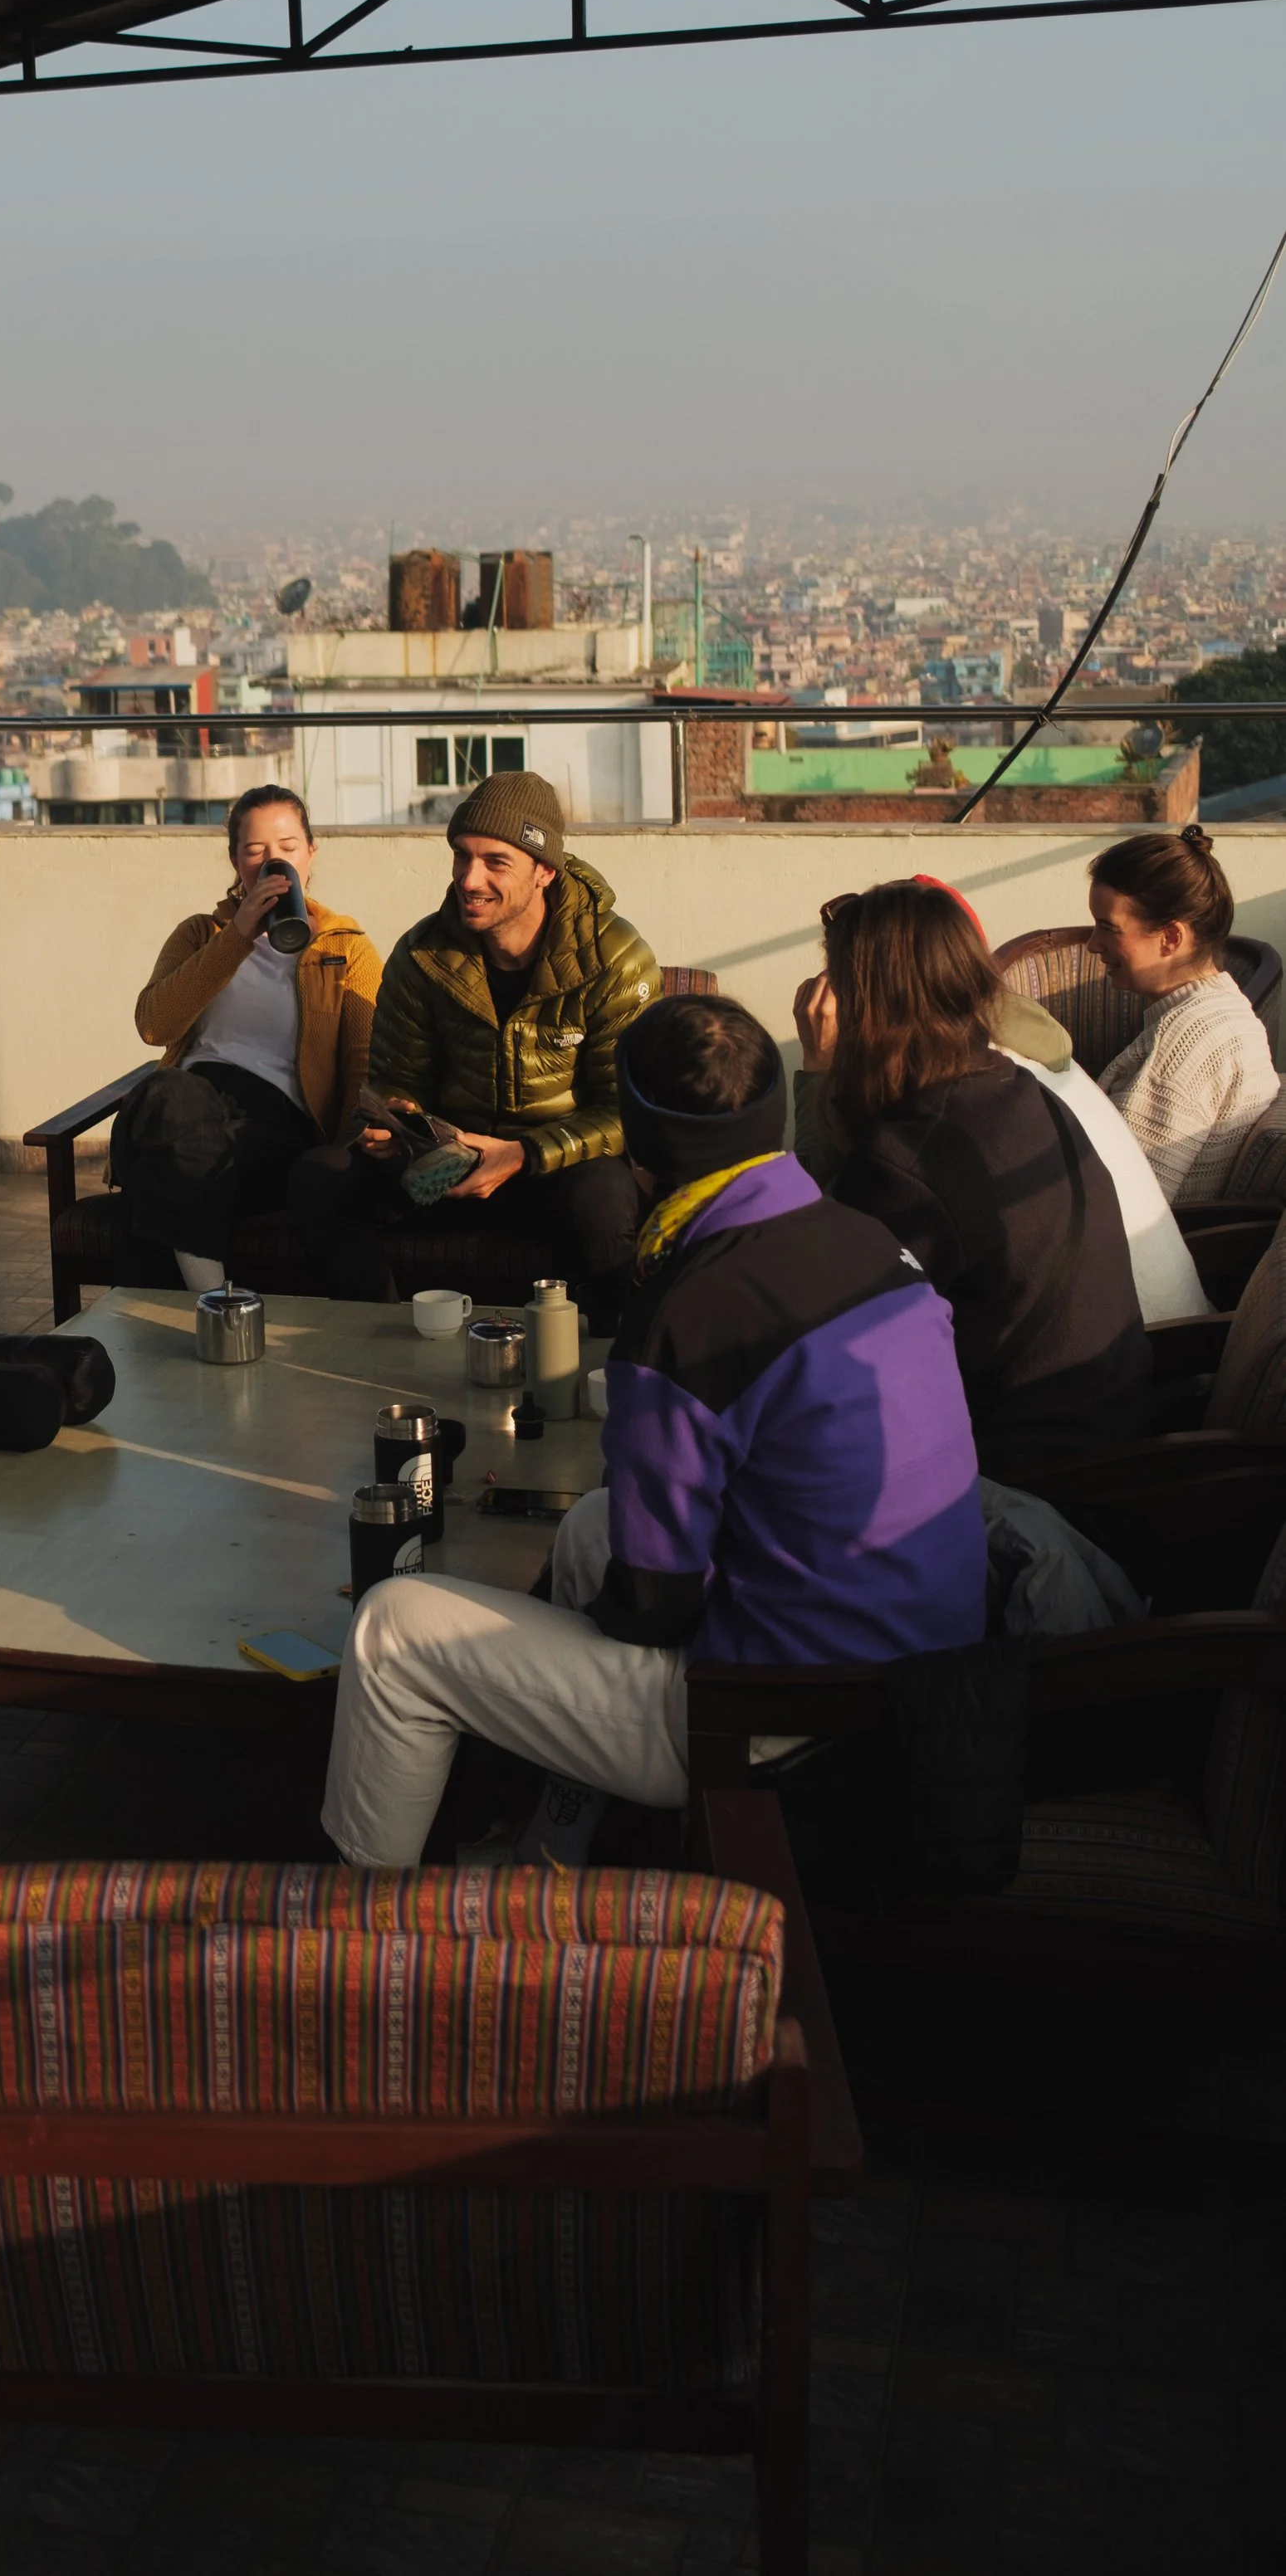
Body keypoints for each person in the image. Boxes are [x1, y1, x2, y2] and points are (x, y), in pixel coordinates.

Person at [321, 996, 988, 1866]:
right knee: (593, 1525)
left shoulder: (689, 1314)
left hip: (783, 1716)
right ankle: (553, 1851)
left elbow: (655, 1604)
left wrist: (569, 1639)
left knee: (393, 1630)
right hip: (925, 1658)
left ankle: (369, 1936)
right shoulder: (866, 1241)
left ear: (640, 1145)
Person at [798, 878, 1148, 1481]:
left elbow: (806, 1301)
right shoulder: (1019, 1092)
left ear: (866, 1008)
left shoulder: (906, 1161)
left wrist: (817, 1074)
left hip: (1025, 1490)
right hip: (1112, 1445)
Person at [289, 771, 658, 1301]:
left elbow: (630, 1111)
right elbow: (394, 1081)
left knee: (604, 1196)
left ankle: (601, 1363)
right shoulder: (423, 956)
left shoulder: (614, 959)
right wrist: (394, 1122)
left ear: (544, 872)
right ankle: (378, 1337)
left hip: (553, 1170)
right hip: (447, 1166)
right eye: (462, 856)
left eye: (496, 862)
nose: (469, 879)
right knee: (319, 1176)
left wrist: (524, 1153)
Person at [795, 873, 1210, 1326]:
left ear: (867, 1006)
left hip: (1115, 1369)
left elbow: (817, 1277)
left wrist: (819, 1068)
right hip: (1147, 1360)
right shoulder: (1023, 1081)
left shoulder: (914, 1147)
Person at [110, 786, 381, 1290]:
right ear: (236, 861)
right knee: (171, 1094)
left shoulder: (347, 948)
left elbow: (363, 1063)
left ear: (311, 854)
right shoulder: (200, 934)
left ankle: (165, 1317)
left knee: (157, 1175)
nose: (272, 862)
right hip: (186, 1105)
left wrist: (349, 1152)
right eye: (255, 851)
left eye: (288, 847)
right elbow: (154, 1025)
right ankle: (214, 1297)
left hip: (273, 1129)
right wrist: (237, 935)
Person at [1089, 824, 1280, 1203]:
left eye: (1109, 928)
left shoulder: (1184, 1045)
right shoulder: (1227, 1009)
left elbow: (1119, 1202)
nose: (1094, 945)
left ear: (1171, 938)